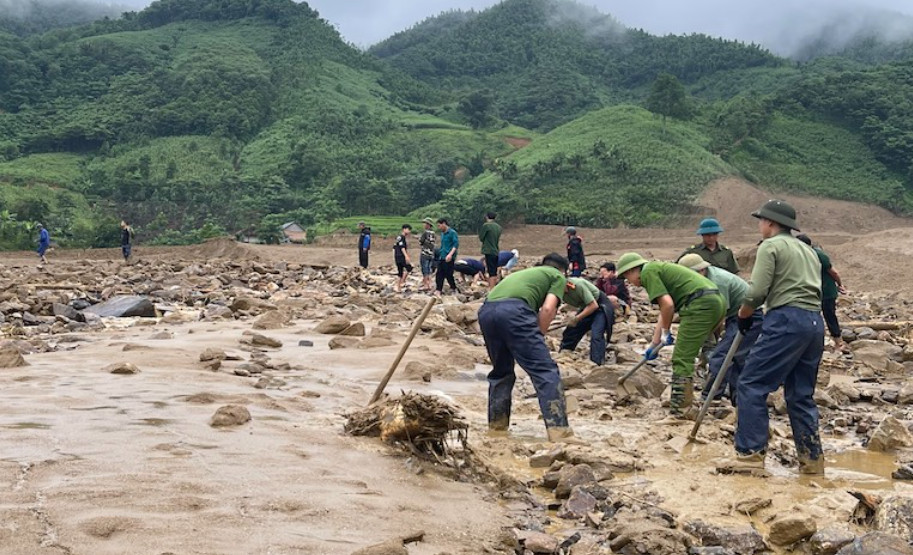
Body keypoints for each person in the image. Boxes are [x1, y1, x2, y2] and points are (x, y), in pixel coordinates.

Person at [718, 200, 825, 475]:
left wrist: (743, 314)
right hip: (814, 322)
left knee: (752, 383)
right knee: (801, 395)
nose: (760, 225)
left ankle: (750, 455)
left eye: (761, 221)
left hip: (786, 319)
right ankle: (812, 462)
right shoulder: (808, 250)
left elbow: (757, 292)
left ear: (770, 223)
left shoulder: (770, 246)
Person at [478, 253, 578, 442]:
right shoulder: (557, 276)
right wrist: (538, 334)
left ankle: (497, 429)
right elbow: (548, 309)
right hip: (515, 312)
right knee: (545, 371)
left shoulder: (526, 274)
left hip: (487, 312)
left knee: (501, 372)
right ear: (563, 271)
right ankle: (559, 432)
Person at [616, 253, 725, 419]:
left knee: (682, 358)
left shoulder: (648, 272)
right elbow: (664, 310)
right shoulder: (659, 269)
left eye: (626, 277)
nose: (629, 282)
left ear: (632, 270)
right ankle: (703, 398)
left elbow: (668, 306)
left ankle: (681, 412)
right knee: (700, 350)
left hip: (699, 304)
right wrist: (654, 343)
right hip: (715, 302)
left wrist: (666, 332)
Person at [677, 254, 763, 405]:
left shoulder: (717, 282)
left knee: (722, 356)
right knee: (737, 356)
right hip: (737, 315)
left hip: (749, 316)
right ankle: (738, 399)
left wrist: (711, 338)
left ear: (701, 270)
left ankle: (711, 397)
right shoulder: (705, 279)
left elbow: (719, 315)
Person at [797, 234, 847, 352]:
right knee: (813, 316)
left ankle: (838, 342)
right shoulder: (802, 256)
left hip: (826, 291)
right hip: (813, 291)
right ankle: (816, 342)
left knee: (829, 315)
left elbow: (834, 272)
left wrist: (840, 285)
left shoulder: (819, 255)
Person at [560, 277, 613, 366]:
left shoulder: (578, 285)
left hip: (600, 306)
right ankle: (564, 353)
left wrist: (577, 318)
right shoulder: (557, 293)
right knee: (571, 330)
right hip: (586, 307)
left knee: (596, 334)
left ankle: (597, 364)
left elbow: (593, 305)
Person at [594, 262, 630, 347]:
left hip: (622, 304)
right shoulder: (602, 280)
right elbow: (597, 291)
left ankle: (617, 316)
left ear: (611, 272)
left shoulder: (619, 280)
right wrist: (600, 281)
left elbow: (610, 291)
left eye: (604, 273)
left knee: (611, 298)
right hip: (607, 303)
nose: (602, 275)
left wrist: (607, 280)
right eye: (601, 273)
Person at [435, 218, 459, 296]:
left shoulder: (452, 233)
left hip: (449, 257)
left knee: (448, 274)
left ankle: (453, 288)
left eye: (439, 226)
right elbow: (443, 245)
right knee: (439, 273)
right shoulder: (442, 233)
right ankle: (438, 290)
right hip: (442, 256)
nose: (439, 227)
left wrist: (450, 254)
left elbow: (455, 245)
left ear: (444, 224)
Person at [479, 212, 502, 287]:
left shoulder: (486, 225)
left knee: (491, 271)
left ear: (487, 217)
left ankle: (491, 289)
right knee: (494, 270)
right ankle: (493, 286)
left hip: (489, 250)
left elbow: (481, 237)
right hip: (496, 251)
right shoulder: (498, 227)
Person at [392, 224, 413, 293]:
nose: (409, 231)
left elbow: (394, 247)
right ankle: (402, 282)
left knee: (400, 272)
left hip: (397, 256)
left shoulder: (398, 237)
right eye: (408, 230)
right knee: (409, 267)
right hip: (401, 256)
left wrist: (394, 256)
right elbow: (402, 247)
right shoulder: (401, 237)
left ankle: (398, 287)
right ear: (404, 229)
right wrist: (406, 256)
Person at [418, 218, 436, 291]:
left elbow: (421, 242)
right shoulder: (433, 233)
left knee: (424, 269)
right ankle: (429, 283)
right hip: (431, 254)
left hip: (425, 253)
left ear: (428, 224)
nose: (423, 225)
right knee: (429, 269)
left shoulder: (425, 233)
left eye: (425, 223)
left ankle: (426, 285)